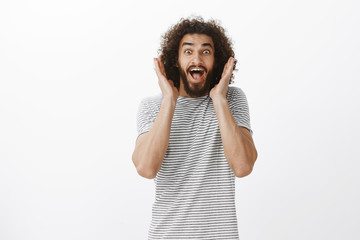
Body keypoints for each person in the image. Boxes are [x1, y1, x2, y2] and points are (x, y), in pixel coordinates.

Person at [132, 16, 258, 240]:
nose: (197, 58)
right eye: (188, 51)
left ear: (216, 61)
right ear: (175, 60)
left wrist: (219, 99)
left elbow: (243, 166)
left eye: (206, 52)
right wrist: (169, 100)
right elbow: (146, 168)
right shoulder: (152, 106)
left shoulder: (232, 100)